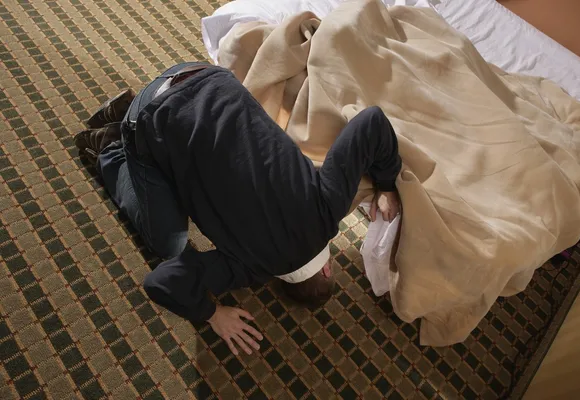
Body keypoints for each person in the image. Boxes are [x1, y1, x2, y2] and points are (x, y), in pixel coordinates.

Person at [75, 62, 402, 356]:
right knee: (168, 245)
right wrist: (212, 314)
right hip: (152, 115)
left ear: (328, 269)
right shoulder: (248, 269)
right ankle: (112, 148)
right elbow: (161, 281)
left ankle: (129, 125)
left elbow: (371, 120)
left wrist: (386, 184)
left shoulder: (330, 204)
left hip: (204, 74)